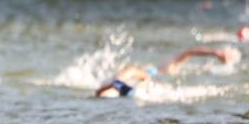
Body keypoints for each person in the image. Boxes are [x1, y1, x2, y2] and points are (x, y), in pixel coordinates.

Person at [96, 47, 234, 98]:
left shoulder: (166, 69)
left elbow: (189, 52)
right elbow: (189, 52)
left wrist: (215, 53)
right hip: (144, 76)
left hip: (141, 79)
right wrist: (215, 53)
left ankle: (115, 86)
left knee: (122, 81)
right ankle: (116, 85)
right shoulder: (162, 69)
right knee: (127, 76)